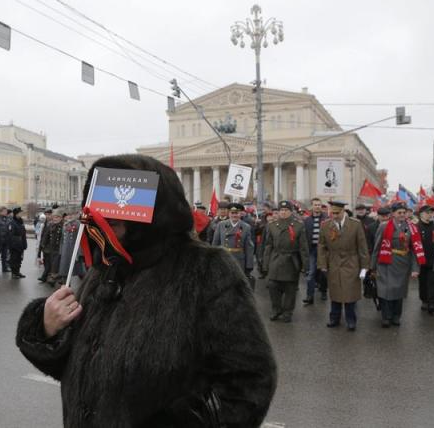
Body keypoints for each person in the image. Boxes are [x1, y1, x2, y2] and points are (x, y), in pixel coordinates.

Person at [16, 154, 277, 427]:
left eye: (120, 211)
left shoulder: (206, 269)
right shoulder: (106, 267)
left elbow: (249, 380)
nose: (106, 216)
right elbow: (77, 370)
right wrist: (47, 329)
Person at [370, 202, 424, 328]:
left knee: (399, 292)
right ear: (393, 214)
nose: (402, 215)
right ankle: (386, 317)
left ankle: (396, 316)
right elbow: (377, 247)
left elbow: (415, 249)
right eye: (399, 212)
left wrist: (416, 268)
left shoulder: (412, 227)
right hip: (386, 261)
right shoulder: (384, 226)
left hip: (402, 264)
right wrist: (372, 266)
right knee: (385, 291)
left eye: (404, 213)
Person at [318, 200, 370, 331]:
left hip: (351, 262)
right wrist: (323, 264)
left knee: (350, 294)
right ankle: (334, 318)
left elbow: (362, 247)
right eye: (332, 213)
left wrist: (364, 267)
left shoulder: (355, 225)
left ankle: (351, 320)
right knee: (335, 293)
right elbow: (321, 246)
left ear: (343, 211)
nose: (334, 215)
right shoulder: (325, 225)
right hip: (333, 262)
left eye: (337, 213)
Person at [262, 200, 309, 323]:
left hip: (291, 260)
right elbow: (268, 246)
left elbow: (303, 247)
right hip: (276, 259)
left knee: (290, 288)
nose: (283, 212)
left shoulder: (298, 225)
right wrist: (265, 263)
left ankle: (287, 312)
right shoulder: (272, 225)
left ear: (291, 212)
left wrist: (305, 265)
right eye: (281, 210)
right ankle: (276, 309)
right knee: (272, 286)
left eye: (286, 210)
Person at [211, 203, 255, 284]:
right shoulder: (221, 225)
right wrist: (214, 261)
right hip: (224, 259)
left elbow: (249, 247)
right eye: (232, 213)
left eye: (237, 213)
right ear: (229, 213)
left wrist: (249, 265)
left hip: (239, 260)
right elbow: (215, 244)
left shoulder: (246, 227)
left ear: (240, 214)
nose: (234, 215)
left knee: (237, 284)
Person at [302, 197, 329, 304]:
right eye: (315, 204)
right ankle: (310, 296)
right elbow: (304, 236)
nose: (317, 206)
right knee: (311, 273)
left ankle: (323, 291)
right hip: (312, 249)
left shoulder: (327, 219)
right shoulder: (307, 221)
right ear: (311, 206)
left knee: (323, 272)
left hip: (324, 250)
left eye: (319, 205)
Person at [416, 205, 434, 314]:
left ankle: (432, 302)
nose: (429, 215)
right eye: (427, 213)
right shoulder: (416, 227)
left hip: (433, 259)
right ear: (421, 214)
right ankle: (424, 300)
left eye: (431, 213)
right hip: (420, 260)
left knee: (432, 281)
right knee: (422, 282)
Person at [57, 207, 85, 287]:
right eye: (67, 215)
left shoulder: (78, 224)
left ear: (75, 215)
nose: (69, 217)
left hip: (74, 250)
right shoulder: (65, 225)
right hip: (65, 250)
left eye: (71, 215)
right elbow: (62, 239)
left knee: (79, 268)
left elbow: (81, 239)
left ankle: (84, 282)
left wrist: (79, 252)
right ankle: (66, 284)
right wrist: (61, 250)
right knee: (64, 267)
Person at [38, 209, 63, 284]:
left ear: (60, 218)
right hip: (51, 248)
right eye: (54, 217)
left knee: (56, 264)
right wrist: (42, 245)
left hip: (59, 249)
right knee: (50, 263)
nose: (55, 219)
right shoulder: (50, 225)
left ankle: (55, 278)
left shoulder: (63, 226)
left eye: (57, 217)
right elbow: (46, 236)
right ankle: (52, 277)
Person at [7, 207, 28, 279]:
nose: (21, 214)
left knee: (19, 259)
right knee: (14, 259)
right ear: (16, 214)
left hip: (21, 243)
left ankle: (18, 272)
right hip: (15, 244)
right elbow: (10, 235)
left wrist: (24, 243)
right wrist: (13, 245)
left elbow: (23, 233)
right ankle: (14, 273)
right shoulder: (12, 222)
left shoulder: (21, 221)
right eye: (20, 213)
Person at [0, 207, 11, 273]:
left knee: (4, 255)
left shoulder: (8, 219)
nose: (6, 212)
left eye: (6, 211)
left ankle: (4, 268)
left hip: (6, 240)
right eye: (5, 211)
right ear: (1, 211)